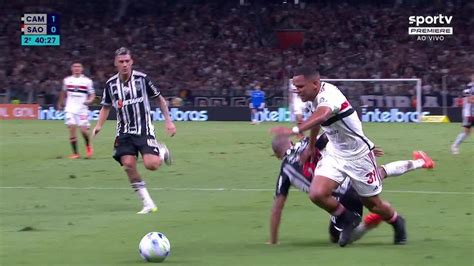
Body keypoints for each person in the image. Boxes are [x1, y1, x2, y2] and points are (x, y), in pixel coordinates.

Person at [270, 66, 406, 247]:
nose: (297, 90)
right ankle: (346, 218)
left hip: (358, 156)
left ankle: (397, 222)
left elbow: (322, 115)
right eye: (295, 86)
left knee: (374, 205)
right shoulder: (312, 98)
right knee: (317, 193)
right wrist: (310, 147)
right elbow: (317, 122)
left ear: (315, 83)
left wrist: (294, 130)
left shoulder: (329, 95)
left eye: (300, 86)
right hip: (335, 153)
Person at [268, 134, 435, 245]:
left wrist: (273, 241)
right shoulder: (308, 143)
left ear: (277, 155)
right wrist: (363, 148)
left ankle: (367, 225)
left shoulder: (285, 171)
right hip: (350, 174)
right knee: (379, 174)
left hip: (343, 199)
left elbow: (277, 208)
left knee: (336, 236)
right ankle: (420, 162)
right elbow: (332, 135)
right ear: (290, 142)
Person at [92, 47, 176, 214]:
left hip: (144, 130)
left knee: (151, 165)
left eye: (127, 61)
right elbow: (106, 107)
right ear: (116, 63)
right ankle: (148, 203)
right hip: (123, 132)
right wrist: (98, 125)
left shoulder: (142, 79)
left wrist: (169, 121)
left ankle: (161, 150)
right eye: (121, 62)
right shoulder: (111, 85)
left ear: (132, 62)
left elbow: (159, 100)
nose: (124, 64)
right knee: (128, 165)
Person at [57, 62, 96, 159]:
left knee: (83, 131)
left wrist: (90, 100)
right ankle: (75, 153)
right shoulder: (67, 80)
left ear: (82, 69)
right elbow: (63, 92)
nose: (77, 68)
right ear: (72, 69)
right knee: (72, 128)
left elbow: (92, 94)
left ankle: (88, 146)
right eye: (75, 67)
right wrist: (60, 103)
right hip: (70, 109)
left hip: (82, 109)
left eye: (79, 67)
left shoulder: (87, 81)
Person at [451, 76, 474, 154]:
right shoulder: (469, 87)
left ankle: (455, 145)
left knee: (467, 132)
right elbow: (469, 99)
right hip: (469, 113)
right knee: (467, 132)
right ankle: (455, 145)